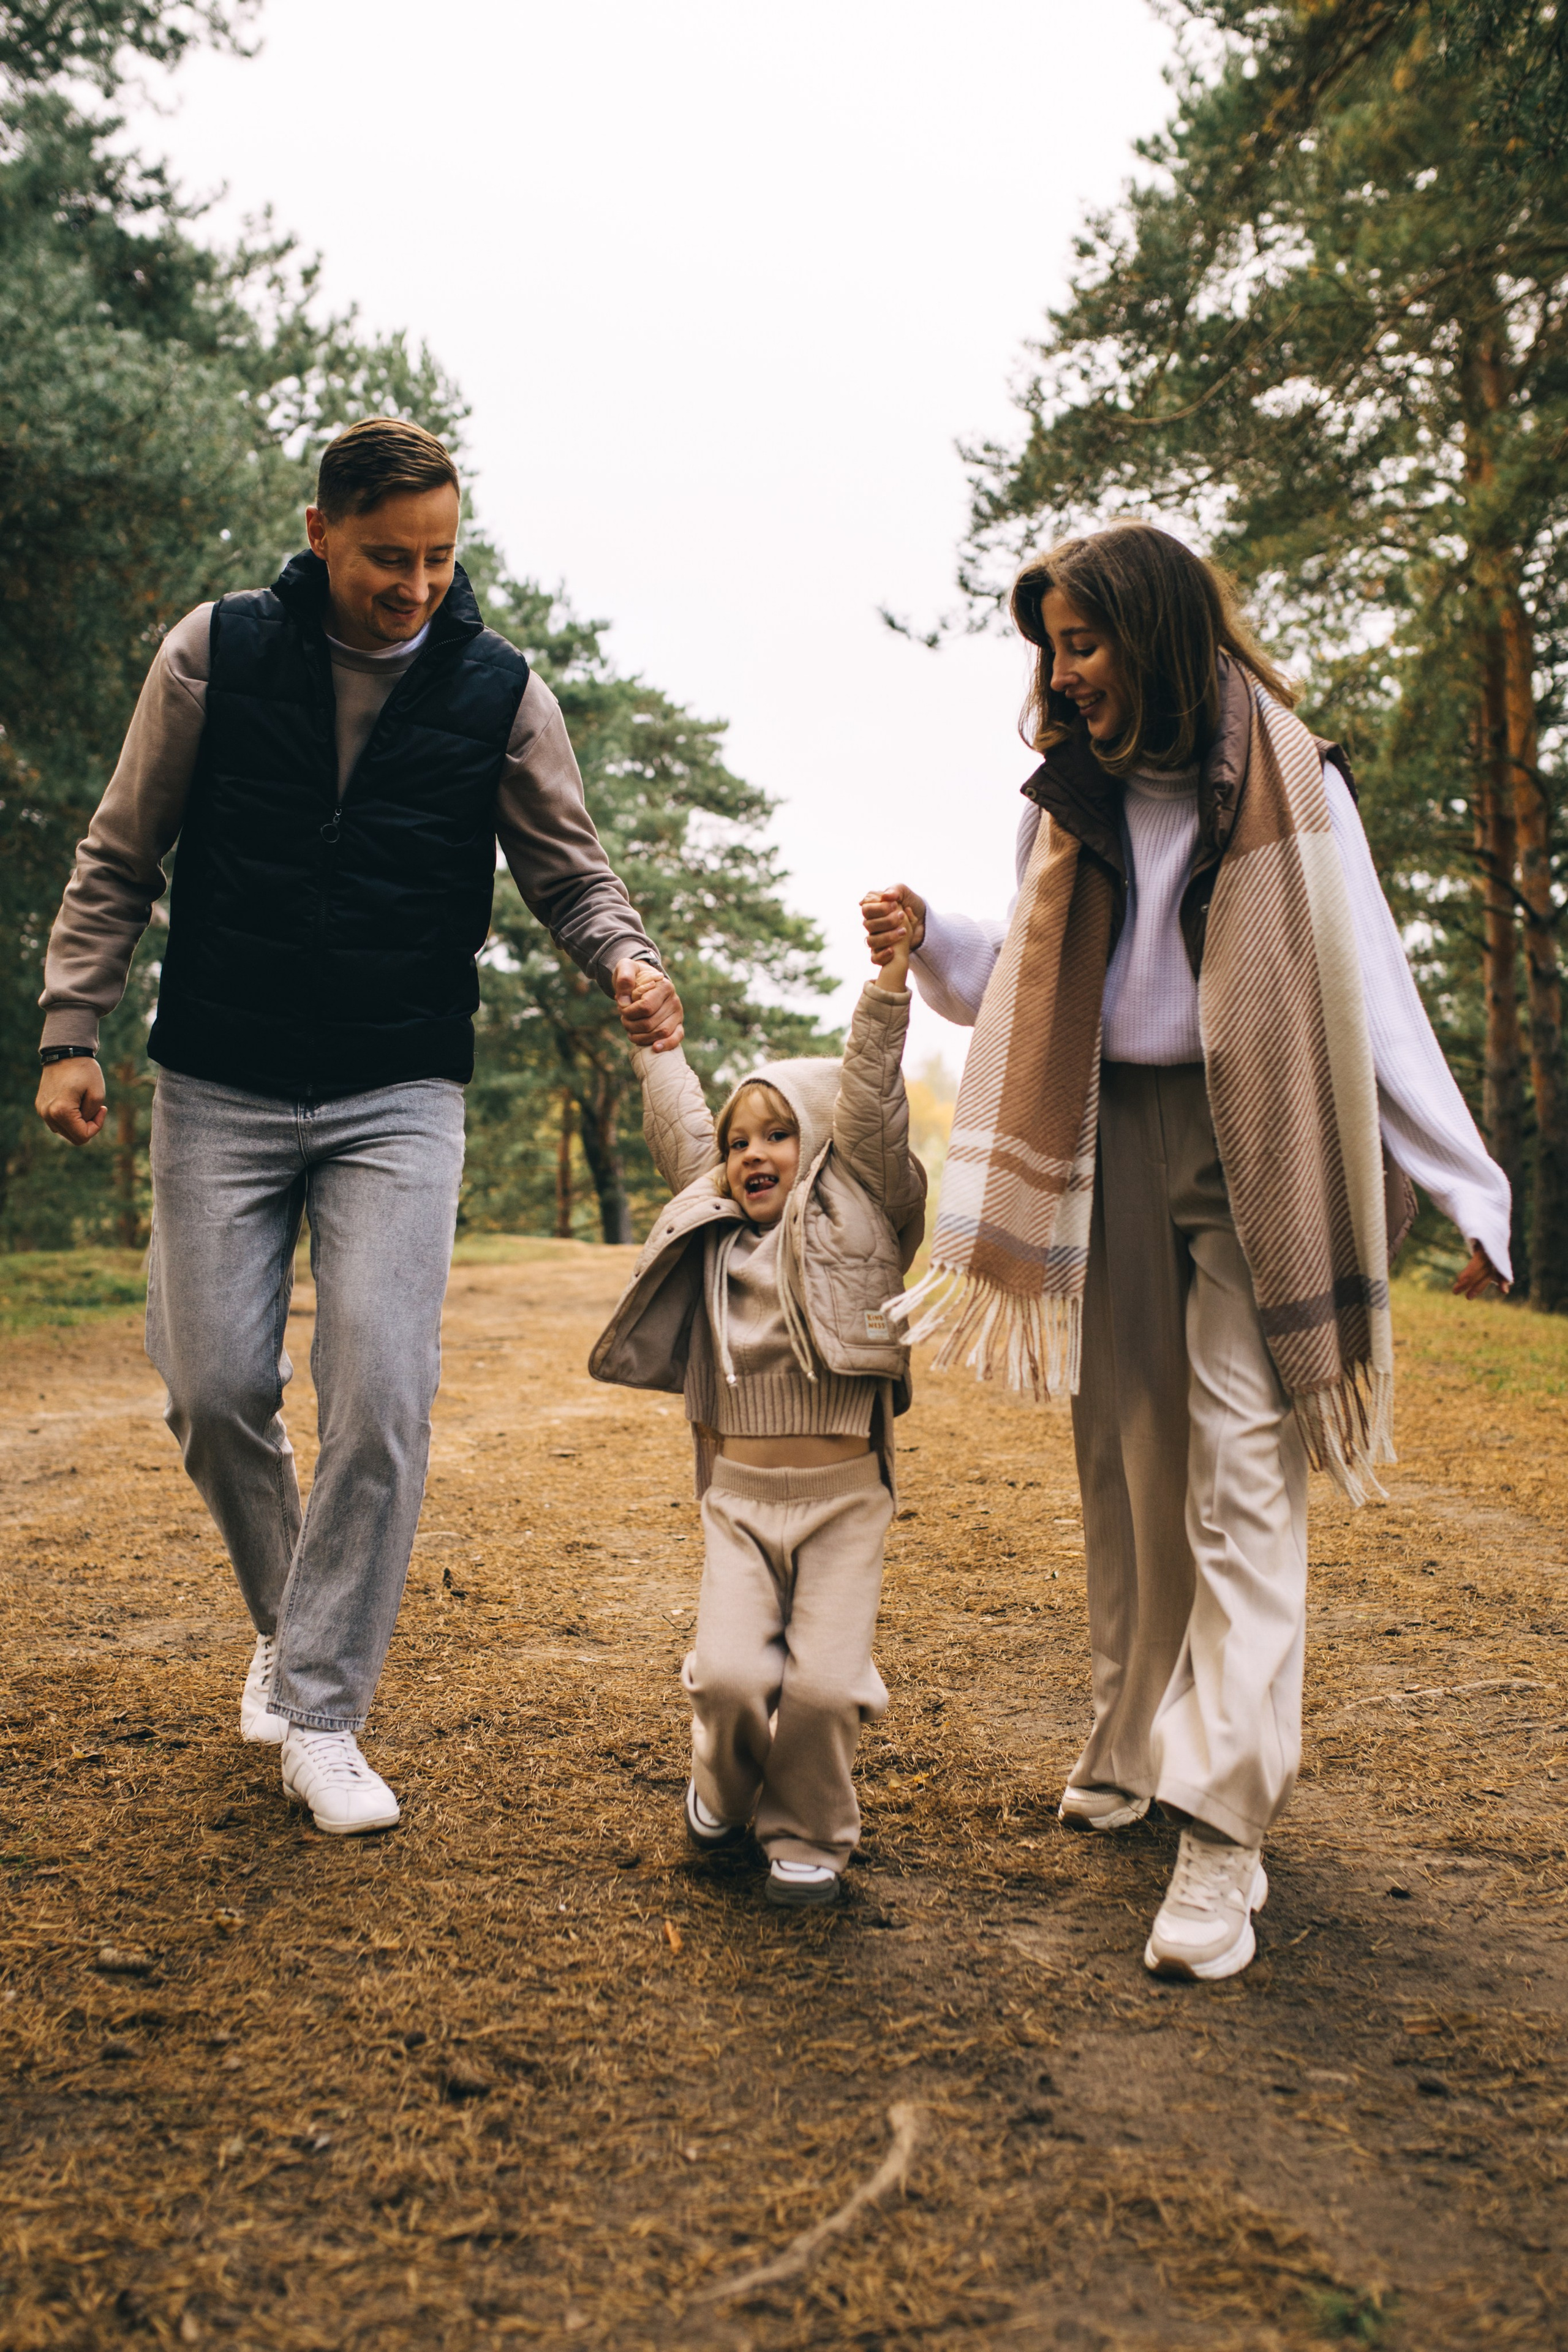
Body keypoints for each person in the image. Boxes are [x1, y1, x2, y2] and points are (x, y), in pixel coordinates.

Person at [862, 521, 1511, 1981]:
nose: (1059, 672)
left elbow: (1371, 992)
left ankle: (1223, 1834)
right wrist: (932, 933)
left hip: (1255, 1146)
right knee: (1128, 1459)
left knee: (1234, 1467)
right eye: (1048, 647)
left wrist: (1469, 1188)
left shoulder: (1287, 776)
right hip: (1112, 1133)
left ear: (1149, 638)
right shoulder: (1068, 791)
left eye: (1080, 644)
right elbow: (1033, 963)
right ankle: (1134, 1740)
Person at [35, 417, 683, 1836]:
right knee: (213, 1394)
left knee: (380, 1397)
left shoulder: (499, 690)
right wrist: (70, 1027)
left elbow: (572, 874)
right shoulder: (213, 653)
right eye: (390, 558)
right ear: (322, 532)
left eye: (442, 558)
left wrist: (623, 959)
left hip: (398, 1085)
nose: (417, 586)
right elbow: (119, 847)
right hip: (219, 1074)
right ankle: (293, 1619)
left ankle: (323, 1711)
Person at [589, 908, 927, 1905]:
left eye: (780, 1133)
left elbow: (867, 1099)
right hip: (737, 1502)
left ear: (817, 1144)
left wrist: (889, 986)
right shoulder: (715, 1219)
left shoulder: (862, 1197)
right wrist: (661, 1047)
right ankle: (723, 1786)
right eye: (742, 1141)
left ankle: (811, 1830)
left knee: (824, 1689)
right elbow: (684, 1122)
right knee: (732, 1681)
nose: (754, 1153)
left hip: (844, 1503)